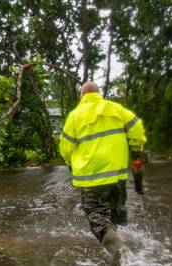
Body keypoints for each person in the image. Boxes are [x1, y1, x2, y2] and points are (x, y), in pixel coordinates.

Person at [59, 81, 146, 264]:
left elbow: (65, 148)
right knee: (115, 213)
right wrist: (137, 149)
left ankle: (120, 253)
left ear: (82, 96)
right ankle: (124, 244)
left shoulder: (75, 116)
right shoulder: (116, 108)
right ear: (99, 93)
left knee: (96, 214)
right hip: (118, 177)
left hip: (92, 179)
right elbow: (137, 126)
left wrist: (70, 164)